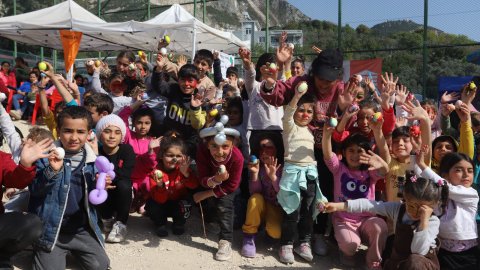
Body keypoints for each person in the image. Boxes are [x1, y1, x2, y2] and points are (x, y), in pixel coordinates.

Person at [260, 49, 346, 255]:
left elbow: (351, 112)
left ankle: (315, 236)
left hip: (325, 149)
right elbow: (278, 94)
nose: (324, 83)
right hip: (298, 150)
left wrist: (347, 107)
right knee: (292, 196)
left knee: (320, 193)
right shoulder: (302, 81)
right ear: (314, 72)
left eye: (329, 80)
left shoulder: (343, 90)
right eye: (320, 78)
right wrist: (271, 81)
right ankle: (289, 239)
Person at [29, 106, 110, 270]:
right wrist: (52, 171)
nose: (74, 137)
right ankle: (41, 249)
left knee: (101, 265)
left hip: (80, 230)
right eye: (67, 131)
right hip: (51, 230)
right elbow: (36, 190)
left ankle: (72, 250)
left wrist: (102, 187)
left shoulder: (94, 162)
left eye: (80, 132)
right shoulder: (45, 157)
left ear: (89, 133)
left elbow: (93, 202)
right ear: (58, 131)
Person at [324, 170, 449, 270]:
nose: (416, 212)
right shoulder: (398, 209)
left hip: (421, 264)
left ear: (433, 207)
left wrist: (424, 221)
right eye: (411, 206)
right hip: (399, 260)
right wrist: (337, 206)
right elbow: (369, 205)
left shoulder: (432, 221)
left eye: (422, 209)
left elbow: (418, 251)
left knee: (415, 261)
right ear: (405, 198)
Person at [322, 124, 389, 268]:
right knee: (350, 245)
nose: (355, 155)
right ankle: (346, 253)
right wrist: (327, 135)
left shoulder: (370, 171)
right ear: (344, 152)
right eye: (351, 150)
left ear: (367, 154)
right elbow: (328, 155)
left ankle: (373, 261)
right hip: (343, 220)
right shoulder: (339, 168)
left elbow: (385, 170)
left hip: (366, 219)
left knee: (380, 226)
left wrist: (381, 163)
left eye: (360, 151)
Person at [276, 86, 327, 264]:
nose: (305, 114)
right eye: (301, 110)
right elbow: (288, 112)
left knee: (307, 211)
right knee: (291, 211)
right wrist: (297, 96)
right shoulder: (289, 126)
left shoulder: (310, 131)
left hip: (311, 174)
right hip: (292, 173)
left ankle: (304, 243)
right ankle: (286, 245)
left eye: (309, 111)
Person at [193, 116, 243, 261]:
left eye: (225, 146)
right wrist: (215, 180)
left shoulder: (237, 158)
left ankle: (225, 240)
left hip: (227, 187)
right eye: (214, 146)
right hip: (210, 181)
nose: (219, 152)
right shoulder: (202, 151)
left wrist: (205, 194)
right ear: (207, 145)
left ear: (233, 145)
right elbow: (202, 178)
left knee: (224, 205)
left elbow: (232, 186)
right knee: (205, 201)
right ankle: (211, 221)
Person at [419, 152, 479, 270]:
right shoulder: (439, 194)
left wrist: (422, 165)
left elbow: (447, 188)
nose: (466, 174)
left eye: (470, 170)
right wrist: (415, 159)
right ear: (445, 175)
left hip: (468, 253)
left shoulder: (472, 193)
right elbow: (423, 183)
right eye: (459, 170)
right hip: (444, 251)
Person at [0, 137, 53, 269]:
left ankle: (2, 256)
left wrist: (25, 165)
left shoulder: (1, 158)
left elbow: (16, 180)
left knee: (32, 224)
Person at [144, 137, 198, 237]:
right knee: (152, 205)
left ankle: (179, 223)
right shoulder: (155, 172)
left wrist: (186, 173)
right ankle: (160, 224)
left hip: (177, 203)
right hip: (161, 203)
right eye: (170, 155)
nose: (174, 159)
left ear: (183, 157)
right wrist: (160, 186)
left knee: (186, 203)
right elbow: (160, 199)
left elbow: (194, 185)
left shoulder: (183, 169)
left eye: (178, 156)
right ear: (161, 156)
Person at [241, 135, 283, 258]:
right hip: (262, 205)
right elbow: (255, 192)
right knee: (255, 199)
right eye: (261, 148)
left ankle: (266, 231)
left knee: (275, 233)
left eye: (268, 147)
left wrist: (274, 178)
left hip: (276, 207)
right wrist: (254, 174)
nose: (264, 151)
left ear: (276, 150)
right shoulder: (258, 167)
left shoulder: (283, 168)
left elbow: (284, 194)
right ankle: (249, 237)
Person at [95, 114, 135, 243]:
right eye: (107, 131)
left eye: (117, 133)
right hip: (104, 193)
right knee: (98, 186)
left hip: (120, 193)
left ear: (121, 136)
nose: (112, 136)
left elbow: (126, 173)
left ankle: (121, 223)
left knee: (125, 185)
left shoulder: (127, 150)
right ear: (100, 134)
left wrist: (109, 178)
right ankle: (106, 219)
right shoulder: (96, 151)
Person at [118, 97, 155, 214]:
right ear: (133, 123)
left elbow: (153, 164)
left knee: (150, 186)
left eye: (147, 123)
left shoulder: (153, 142)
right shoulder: (128, 135)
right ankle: (133, 202)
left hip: (144, 178)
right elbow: (121, 117)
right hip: (128, 177)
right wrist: (136, 104)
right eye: (139, 122)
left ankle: (143, 202)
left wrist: (150, 151)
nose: (143, 126)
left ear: (151, 124)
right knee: (126, 193)